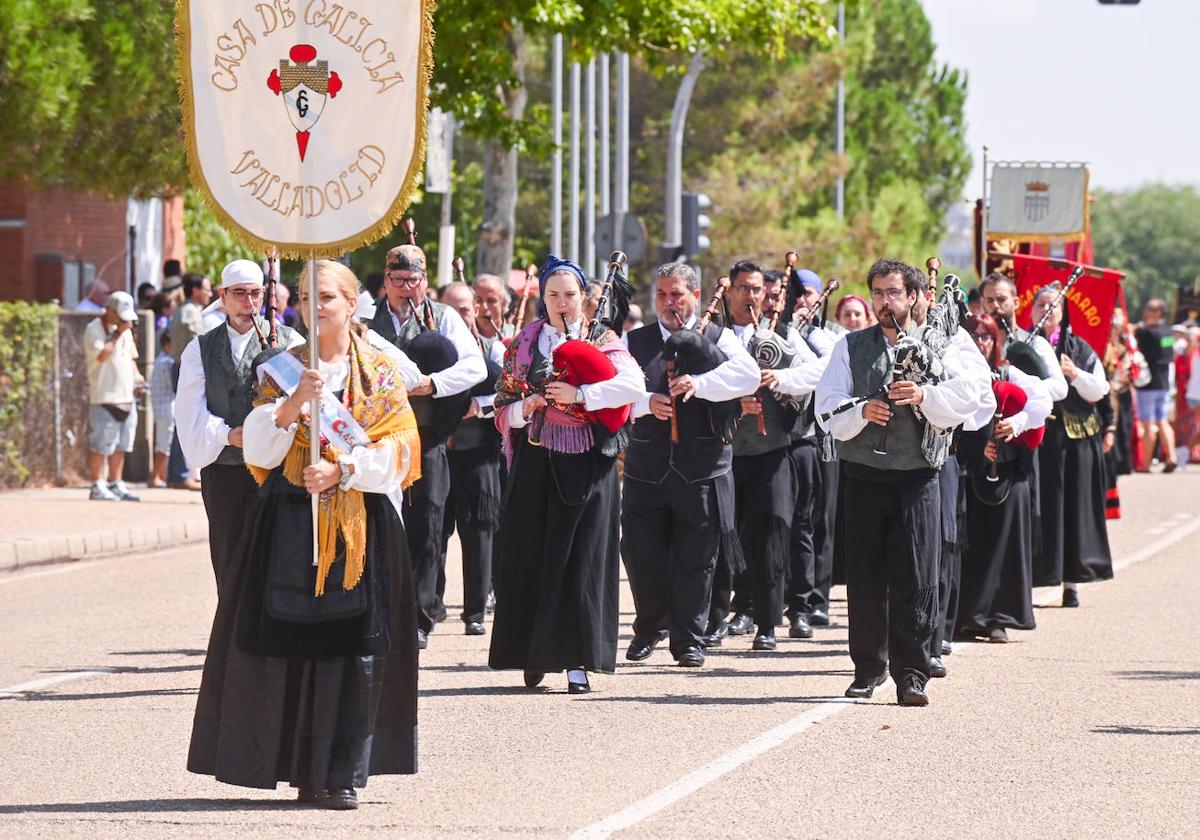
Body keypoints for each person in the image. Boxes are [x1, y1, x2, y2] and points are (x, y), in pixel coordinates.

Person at [188, 259, 421, 810]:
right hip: (288, 520)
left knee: (350, 647)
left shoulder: (381, 370)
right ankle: (294, 766)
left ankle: (340, 772)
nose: (316, 309)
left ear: (352, 302)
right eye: (306, 298)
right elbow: (260, 452)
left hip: (359, 526)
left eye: (328, 298)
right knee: (289, 641)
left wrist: (344, 471)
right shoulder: (282, 370)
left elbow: (402, 451)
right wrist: (293, 405)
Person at [816, 259, 993, 706]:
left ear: (913, 296)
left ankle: (912, 671)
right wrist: (860, 411)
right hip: (863, 475)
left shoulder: (948, 341)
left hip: (918, 476)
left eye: (893, 292)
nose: (883, 302)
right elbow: (826, 405)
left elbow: (975, 395)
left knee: (916, 574)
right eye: (877, 292)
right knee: (865, 575)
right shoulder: (850, 346)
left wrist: (925, 395)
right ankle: (867, 668)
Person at [489, 256, 643, 694]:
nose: (562, 303)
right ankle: (532, 655)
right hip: (536, 462)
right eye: (553, 295)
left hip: (588, 465)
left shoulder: (603, 338)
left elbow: (633, 386)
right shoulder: (524, 343)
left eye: (570, 295)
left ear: (583, 298)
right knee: (532, 557)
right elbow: (501, 407)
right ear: (541, 296)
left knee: (581, 560)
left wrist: (583, 393)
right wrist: (526, 408)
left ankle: (578, 662)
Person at [621, 263, 759, 667]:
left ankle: (688, 639)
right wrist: (646, 404)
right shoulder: (635, 341)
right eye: (662, 295)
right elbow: (613, 389)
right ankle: (649, 627)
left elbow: (747, 377)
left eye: (677, 295)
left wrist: (700, 384)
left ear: (695, 297)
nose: (669, 303)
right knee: (640, 553)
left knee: (696, 559)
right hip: (647, 466)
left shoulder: (721, 337)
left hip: (701, 469)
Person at [368, 243, 485, 649]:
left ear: (425, 282)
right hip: (375, 438)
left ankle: (419, 615)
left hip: (426, 435)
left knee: (427, 525)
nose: (405, 288)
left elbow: (474, 366)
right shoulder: (366, 319)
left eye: (413, 280)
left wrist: (432, 384)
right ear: (385, 282)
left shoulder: (445, 317)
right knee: (377, 523)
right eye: (397, 280)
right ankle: (378, 609)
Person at [176, 260, 301, 586]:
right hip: (225, 468)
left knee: (276, 556)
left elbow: (306, 405)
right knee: (229, 556)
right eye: (240, 294)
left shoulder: (288, 343)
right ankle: (235, 634)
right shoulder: (200, 349)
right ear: (223, 296)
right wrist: (227, 435)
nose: (248, 303)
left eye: (255, 294)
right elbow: (189, 412)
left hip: (277, 470)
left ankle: (273, 635)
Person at [712, 261, 805, 652]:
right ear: (729, 291)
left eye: (757, 290)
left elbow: (815, 373)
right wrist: (735, 402)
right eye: (743, 289)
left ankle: (767, 623)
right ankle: (718, 618)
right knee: (719, 538)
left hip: (771, 454)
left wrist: (779, 379)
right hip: (723, 455)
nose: (751, 296)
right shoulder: (712, 336)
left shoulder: (783, 334)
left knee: (769, 536)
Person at [955, 314, 1051, 644]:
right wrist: (977, 447)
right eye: (974, 335)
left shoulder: (1011, 372)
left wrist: (1018, 423)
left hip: (1007, 475)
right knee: (968, 545)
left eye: (986, 336)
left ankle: (997, 617)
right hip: (968, 469)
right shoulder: (955, 371)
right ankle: (964, 616)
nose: (980, 342)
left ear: (996, 341)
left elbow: (1043, 401)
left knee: (1002, 546)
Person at [1031, 285, 1114, 607]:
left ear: (1063, 312)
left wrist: (1074, 373)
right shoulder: (1023, 345)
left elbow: (1100, 390)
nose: (1046, 311)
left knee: (1073, 509)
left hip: (1076, 441)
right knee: (1042, 509)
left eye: (1053, 306)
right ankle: (1035, 578)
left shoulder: (1079, 348)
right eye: (1040, 305)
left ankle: (1072, 582)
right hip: (1038, 440)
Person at [773, 268, 837, 641]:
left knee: (804, 525)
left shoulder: (820, 338)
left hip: (807, 441)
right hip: (768, 442)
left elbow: (825, 371)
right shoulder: (770, 332)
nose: (800, 301)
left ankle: (806, 603)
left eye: (807, 294)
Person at [438, 282, 505, 636]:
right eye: (453, 308)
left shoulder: (493, 349)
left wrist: (480, 406)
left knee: (479, 531)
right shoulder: (432, 349)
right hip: (439, 453)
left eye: (465, 309)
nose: (461, 315)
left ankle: (475, 611)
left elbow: (510, 392)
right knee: (435, 530)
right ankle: (430, 605)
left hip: (480, 453)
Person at [83, 291, 145, 501]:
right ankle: (97, 484)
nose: (124, 320)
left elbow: (132, 359)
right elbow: (102, 355)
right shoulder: (94, 329)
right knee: (100, 444)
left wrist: (138, 379)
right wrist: (118, 333)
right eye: (120, 315)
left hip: (126, 396)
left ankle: (115, 482)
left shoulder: (125, 332)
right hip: (104, 396)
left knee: (122, 443)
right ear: (109, 310)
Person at [1133, 299, 1177, 472]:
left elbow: (1134, 332)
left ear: (1158, 312)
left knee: (1148, 424)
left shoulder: (1146, 333)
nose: (1145, 311)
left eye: (1150, 309)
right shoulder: (1167, 333)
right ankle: (1172, 456)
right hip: (1164, 383)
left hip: (1148, 384)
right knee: (1162, 421)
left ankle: (1145, 464)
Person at [148, 331, 176, 488]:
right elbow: (173, 386)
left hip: (162, 409)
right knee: (164, 446)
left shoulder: (160, 360)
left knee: (163, 445)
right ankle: (154, 477)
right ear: (167, 345)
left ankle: (159, 476)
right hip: (166, 410)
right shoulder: (166, 363)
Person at [472, 273, 515, 340]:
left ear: (503, 304)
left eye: (491, 301)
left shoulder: (517, 336)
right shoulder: (464, 337)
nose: (484, 307)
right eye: (478, 300)